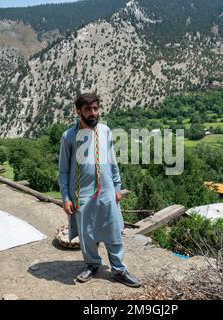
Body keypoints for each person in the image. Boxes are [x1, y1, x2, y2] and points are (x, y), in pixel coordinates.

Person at [58, 92, 141, 288]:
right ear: (79, 111)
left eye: (96, 108)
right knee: (87, 236)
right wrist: (65, 197)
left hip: (106, 191)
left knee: (113, 232)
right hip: (82, 193)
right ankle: (93, 265)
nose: (93, 113)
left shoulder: (105, 131)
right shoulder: (68, 136)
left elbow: (112, 162)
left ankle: (119, 270)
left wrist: (117, 186)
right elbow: (63, 170)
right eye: (88, 109)